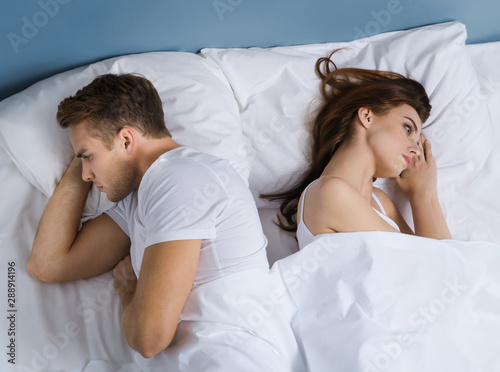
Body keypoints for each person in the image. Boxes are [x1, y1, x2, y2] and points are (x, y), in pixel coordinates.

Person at [26, 73, 270, 359]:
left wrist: (130, 290)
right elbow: (48, 265)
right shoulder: (142, 196)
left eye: (88, 157)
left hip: (233, 357)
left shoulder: (181, 179)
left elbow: (149, 339)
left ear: (126, 141)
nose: (86, 175)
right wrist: (84, 157)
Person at [262, 50, 452, 249]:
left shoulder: (379, 202)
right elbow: (431, 262)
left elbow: (454, 264)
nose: (415, 148)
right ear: (367, 116)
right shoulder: (328, 192)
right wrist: (421, 198)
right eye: (407, 128)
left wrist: (427, 195)